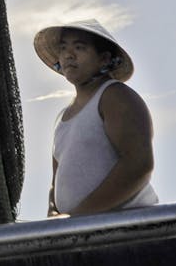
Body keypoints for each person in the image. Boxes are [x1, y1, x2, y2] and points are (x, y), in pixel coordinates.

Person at [34, 19, 157, 216]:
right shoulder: (63, 117)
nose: (68, 54)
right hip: (81, 235)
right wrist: (54, 213)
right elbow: (55, 181)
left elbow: (138, 165)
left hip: (125, 230)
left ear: (104, 59)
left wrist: (79, 216)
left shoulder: (115, 96)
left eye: (79, 47)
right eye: (63, 48)